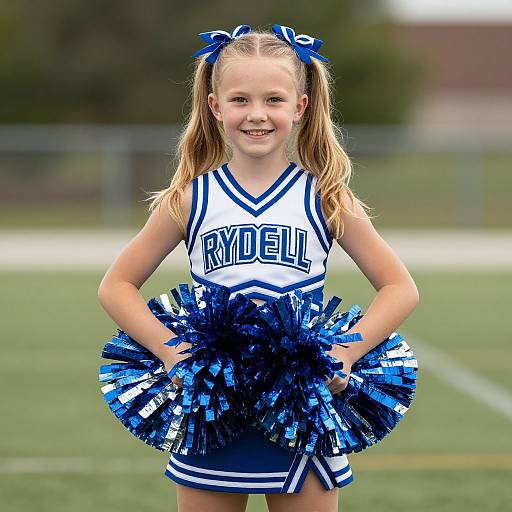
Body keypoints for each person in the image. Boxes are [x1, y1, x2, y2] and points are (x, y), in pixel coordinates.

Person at [98, 23, 420, 512]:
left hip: (299, 406)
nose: (256, 114)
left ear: (300, 107)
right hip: (214, 406)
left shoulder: (326, 197)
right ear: (214, 107)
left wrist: (346, 353)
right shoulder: (190, 198)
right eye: (240, 100)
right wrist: (170, 352)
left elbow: (400, 287)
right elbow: (116, 285)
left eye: (273, 99)